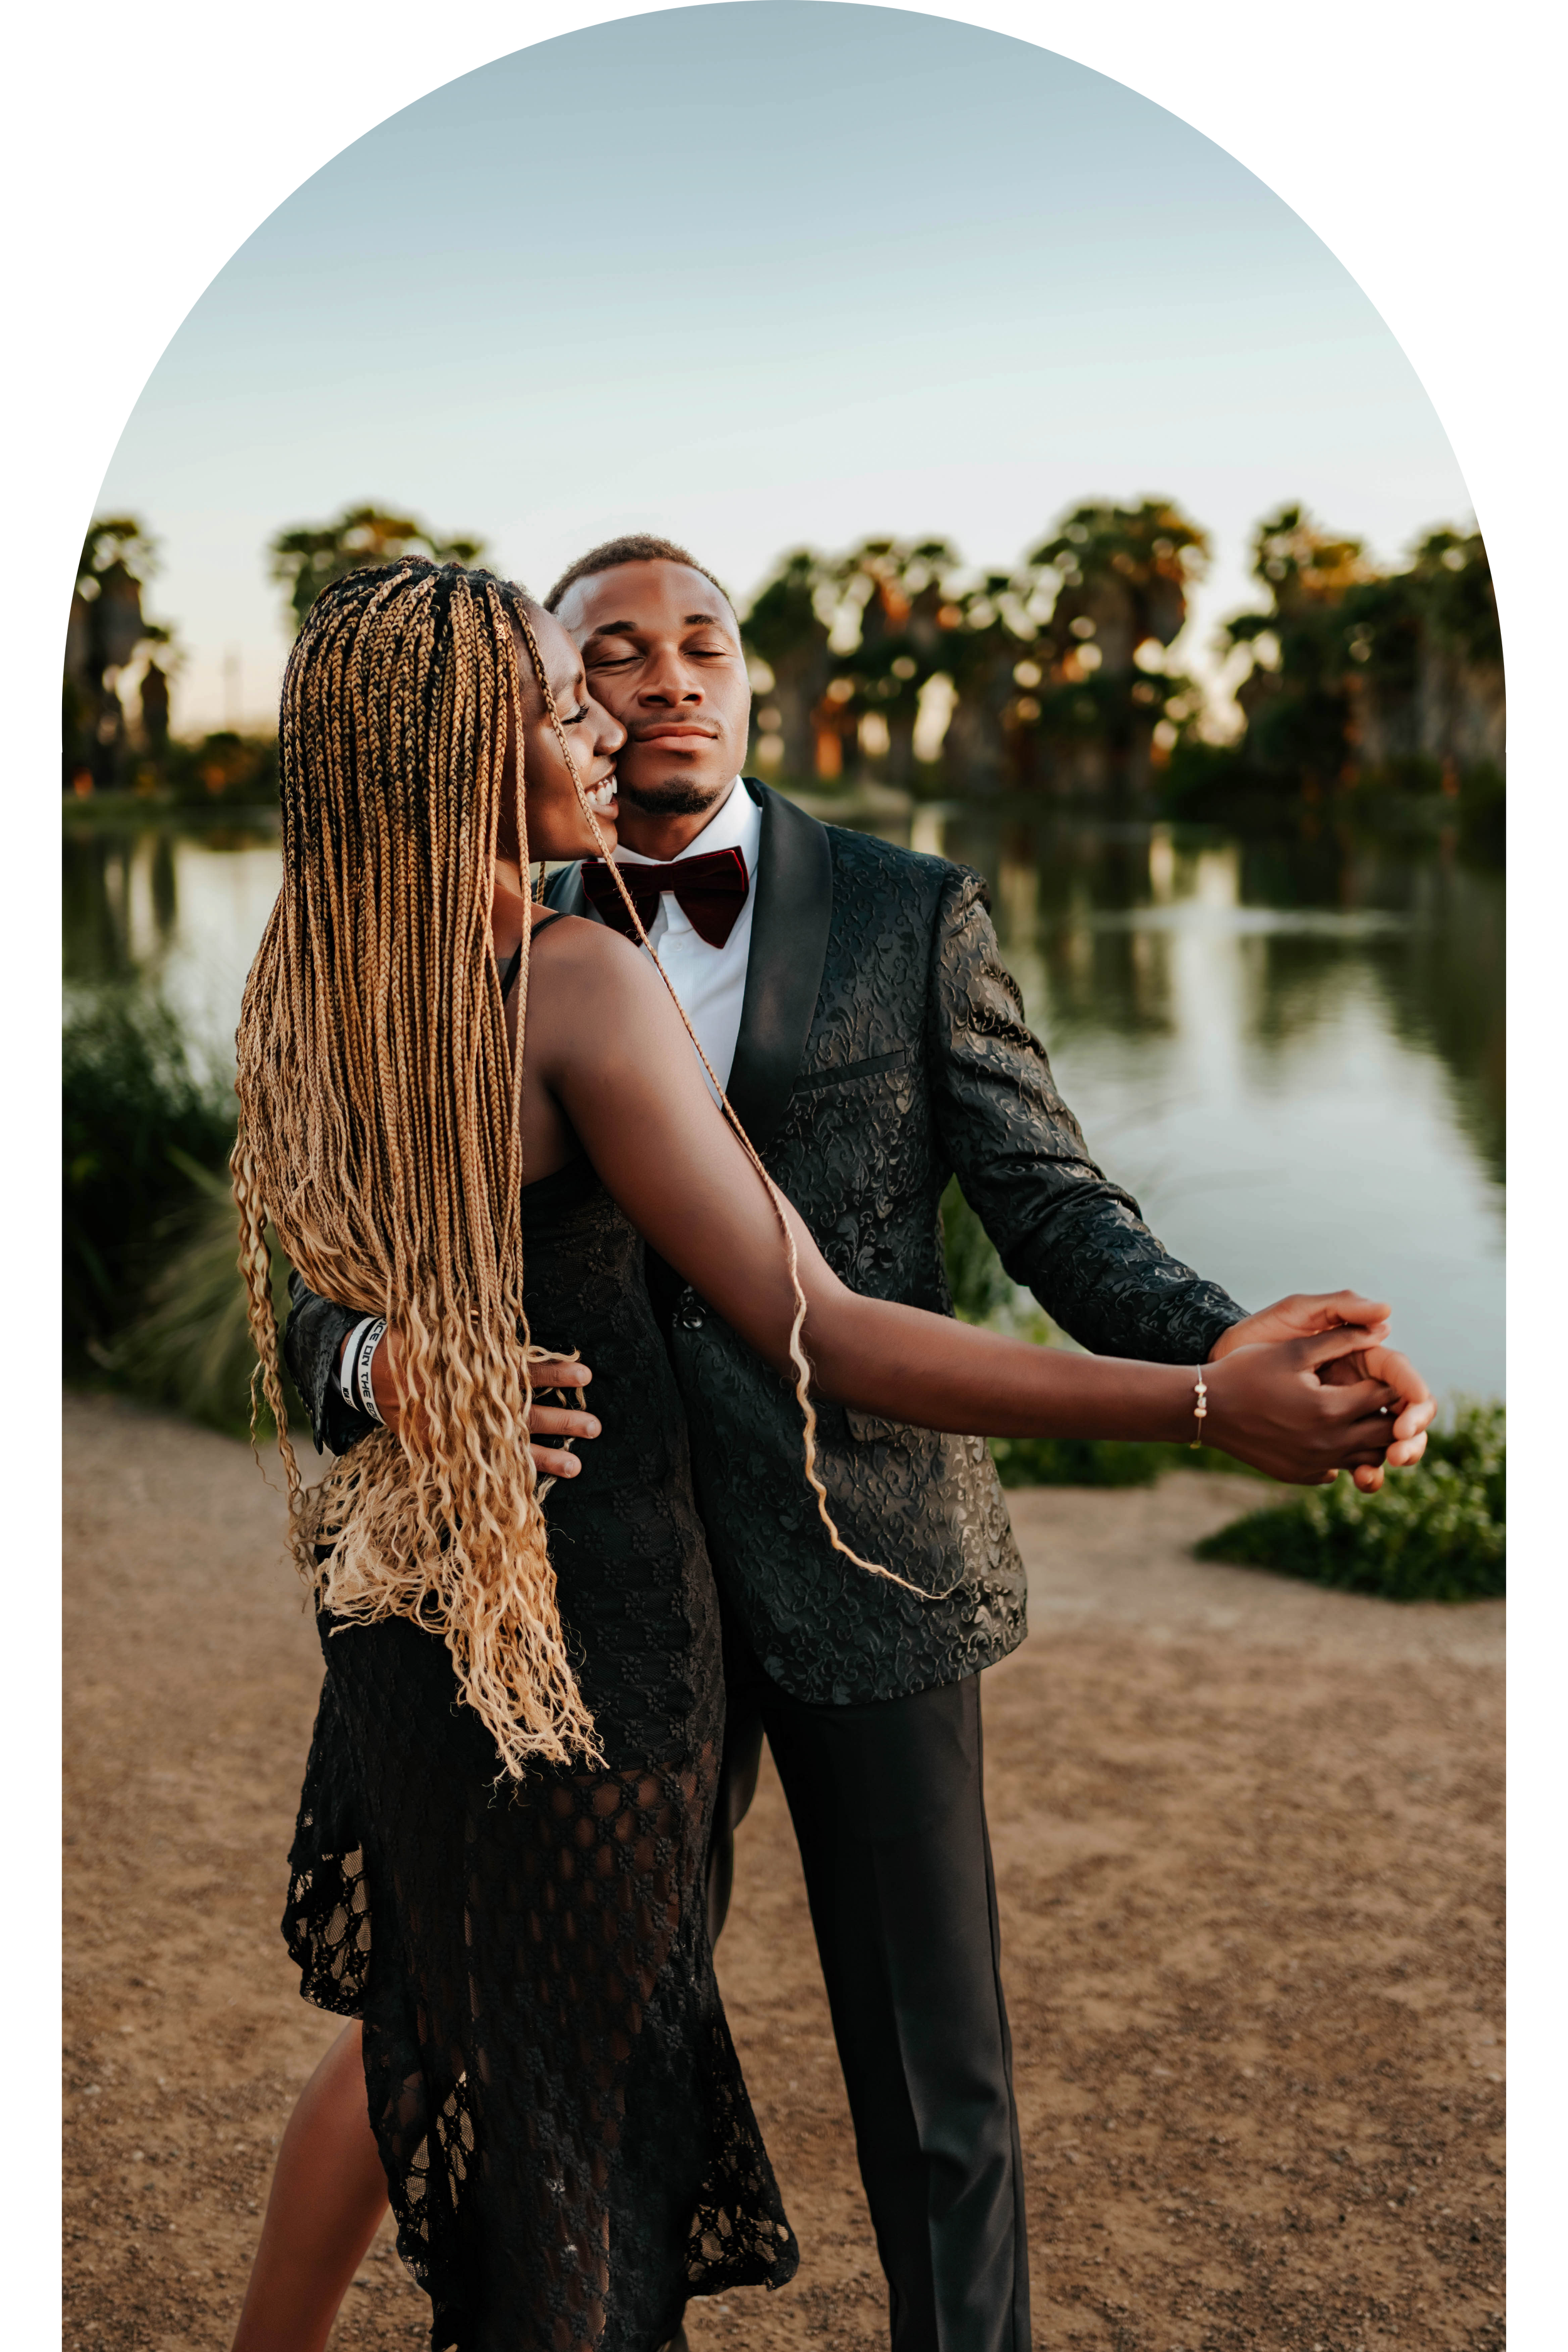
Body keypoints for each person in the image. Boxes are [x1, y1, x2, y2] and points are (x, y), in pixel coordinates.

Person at [262, 554, 1431, 2352]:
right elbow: (327, 1280)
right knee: (527, 2059)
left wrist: (1227, 1351)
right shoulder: (478, 945)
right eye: (596, 664)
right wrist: (379, 1358)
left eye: (699, 646)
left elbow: (1054, 1208)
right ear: (488, 727)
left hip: (856, 1555)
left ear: (752, 678)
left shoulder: (902, 910)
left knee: (917, 2081)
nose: (651, 689)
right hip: (579, 1609)